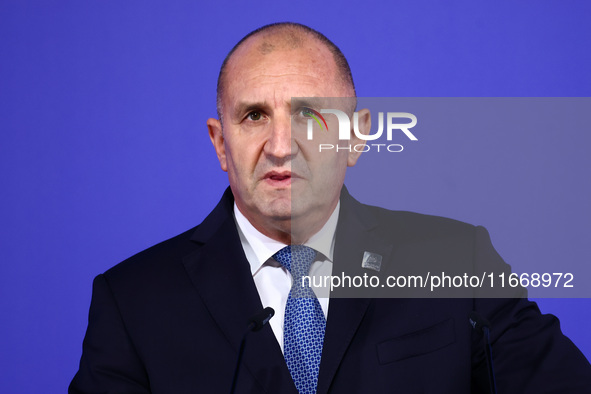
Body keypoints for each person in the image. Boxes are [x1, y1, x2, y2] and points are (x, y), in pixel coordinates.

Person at [70, 22, 591, 393]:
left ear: (357, 136)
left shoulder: (456, 261)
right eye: (253, 115)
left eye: (310, 115)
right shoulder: (133, 301)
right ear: (220, 143)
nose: (280, 145)